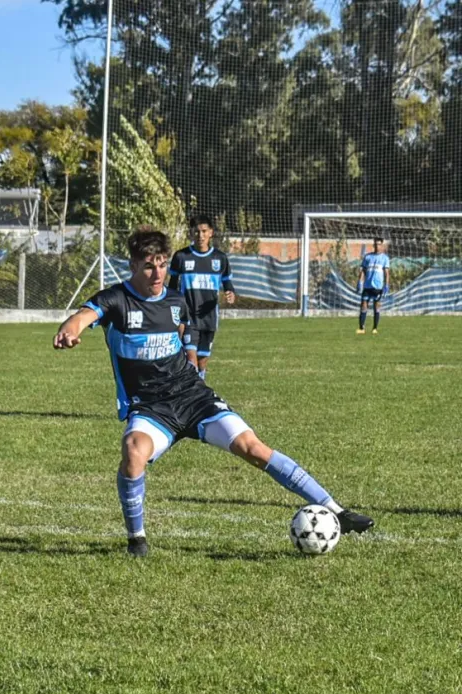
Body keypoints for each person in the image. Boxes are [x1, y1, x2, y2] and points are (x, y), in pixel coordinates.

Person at [52, 227, 374, 557]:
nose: (158, 272)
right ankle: (137, 541)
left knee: (254, 448)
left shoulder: (176, 300)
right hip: (151, 409)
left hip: (193, 397)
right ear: (133, 265)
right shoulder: (116, 299)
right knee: (134, 450)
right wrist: (70, 330)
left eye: (163, 264)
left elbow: (184, 334)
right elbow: (83, 316)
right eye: (149, 265)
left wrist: (192, 358)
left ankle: (337, 511)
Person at [167, 214, 235, 380]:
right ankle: (191, 392)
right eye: (196, 232)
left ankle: (199, 389)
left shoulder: (220, 258)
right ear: (191, 233)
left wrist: (230, 294)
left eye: (204, 231)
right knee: (191, 359)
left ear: (211, 232)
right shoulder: (181, 257)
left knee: (202, 360)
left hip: (209, 319)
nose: (200, 236)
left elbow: (228, 284)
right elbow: (172, 287)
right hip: (188, 318)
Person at [357, 237, 390, 335]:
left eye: (379, 244)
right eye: (375, 244)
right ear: (373, 245)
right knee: (363, 305)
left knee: (377, 306)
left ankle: (375, 328)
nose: (377, 246)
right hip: (367, 286)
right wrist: (360, 282)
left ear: (382, 245)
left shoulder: (385, 258)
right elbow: (363, 270)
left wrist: (386, 286)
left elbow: (387, 273)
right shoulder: (367, 257)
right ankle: (361, 328)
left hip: (378, 287)